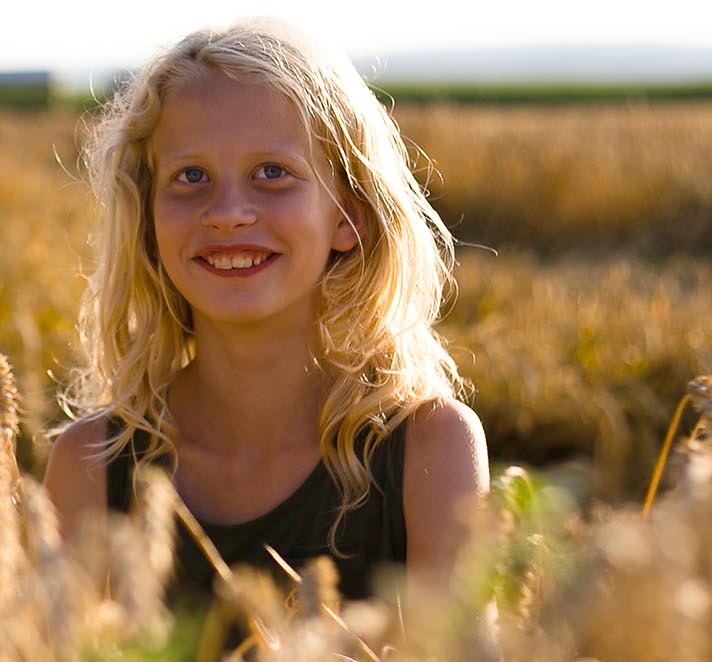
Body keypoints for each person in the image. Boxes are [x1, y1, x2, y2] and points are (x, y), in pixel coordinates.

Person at [45, 20, 490, 613]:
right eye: (190, 177)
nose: (227, 213)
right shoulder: (92, 466)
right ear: (149, 221)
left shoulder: (428, 450)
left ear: (347, 216)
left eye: (272, 173)